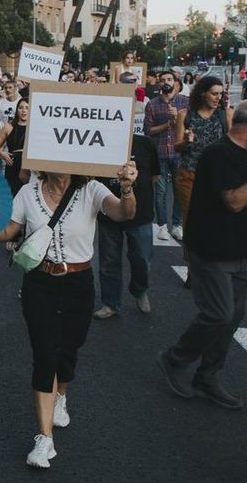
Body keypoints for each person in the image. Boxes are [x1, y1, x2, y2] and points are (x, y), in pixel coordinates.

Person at [0, 161, 138, 469]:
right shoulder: (27, 192)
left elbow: (123, 213)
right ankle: (44, 437)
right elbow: (7, 234)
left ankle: (61, 394)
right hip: (39, 282)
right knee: (44, 352)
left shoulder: (91, 189)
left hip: (79, 282)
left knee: (70, 346)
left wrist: (128, 185)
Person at [158, 99, 247, 411]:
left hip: (240, 251)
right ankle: (174, 359)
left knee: (234, 316)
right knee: (218, 314)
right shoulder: (218, 153)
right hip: (212, 250)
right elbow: (235, 201)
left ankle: (208, 376)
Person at [93, 133, 160, 319]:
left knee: (142, 259)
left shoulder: (145, 143)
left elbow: (154, 176)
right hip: (109, 214)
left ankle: (139, 291)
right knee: (108, 261)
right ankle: (110, 303)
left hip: (141, 215)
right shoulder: (98, 142)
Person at [174, 76, 230, 231]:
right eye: (214, 94)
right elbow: (176, 147)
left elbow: (233, 145)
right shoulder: (185, 115)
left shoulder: (226, 115)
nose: (218, 98)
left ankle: (210, 254)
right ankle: (190, 255)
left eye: (221, 94)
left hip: (217, 176)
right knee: (191, 222)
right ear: (202, 93)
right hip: (189, 175)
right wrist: (186, 141)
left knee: (214, 221)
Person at [144, 71, 188, 241]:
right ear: (159, 84)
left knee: (179, 191)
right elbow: (148, 131)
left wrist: (178, 119)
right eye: (162, 80)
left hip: (179, 152)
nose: (166, 82)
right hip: (160, 152)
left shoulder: (185, 102)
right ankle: (162, 225)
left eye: (169, 79)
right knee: (161, 192)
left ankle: (177, 225)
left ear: (176, 82)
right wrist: (167, 124)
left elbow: (191, 126)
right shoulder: (153, 104)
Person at [0, 97, 31, 195]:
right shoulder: (9, 127)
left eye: (27, 107)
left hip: (28, 166)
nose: (24, 111)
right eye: (21, 108)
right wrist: (2, 154)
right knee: (13, 195)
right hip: (12, 164)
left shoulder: (35, 126)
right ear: (17, 110)